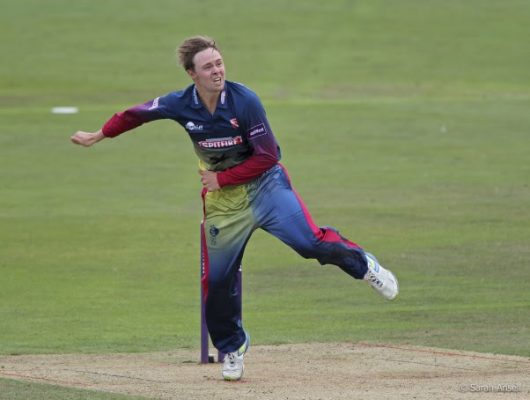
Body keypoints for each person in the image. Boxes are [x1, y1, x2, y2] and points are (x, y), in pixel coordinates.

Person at [71, 35, 399, 381]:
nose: (217, 71)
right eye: (207, 67)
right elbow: (136, 114)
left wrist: (222, 178)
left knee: (310, 243)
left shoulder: (245, 101)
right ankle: (233, 347)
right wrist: (99, 135)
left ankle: (365, 266)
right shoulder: (180, 103)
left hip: (266, 187)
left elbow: (269, 155)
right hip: (224, 205)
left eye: (219, 63)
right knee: (217, 281)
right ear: (192, 74)